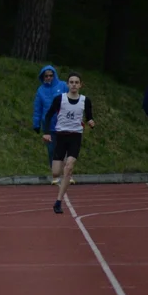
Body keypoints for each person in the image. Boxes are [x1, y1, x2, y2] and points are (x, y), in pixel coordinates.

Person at [43, 72, 95, 214]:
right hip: (61, 136)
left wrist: (90, 121)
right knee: (55, 172)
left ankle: (58, 201)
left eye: (76, 82)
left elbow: (89, 116)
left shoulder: (85, 100)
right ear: (67, 84)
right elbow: (48, 115)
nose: (73, 84)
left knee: (69, 168)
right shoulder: (60, 99)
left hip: (75, 137)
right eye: (71, 82)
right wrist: (46, 132)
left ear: (80, 85)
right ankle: (64, 162)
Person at [32, 64, 69, 183]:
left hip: (64, 124)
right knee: (52, 150)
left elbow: (72, 99)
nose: (48, 78)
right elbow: (38, 108)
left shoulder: (63, 85)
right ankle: (55, 174)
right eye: (46, 76)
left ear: (54, 75)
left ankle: (66, 172)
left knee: (65, 150)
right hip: (48, 126)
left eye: (51, 75)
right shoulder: (40, 90)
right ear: (43, 77)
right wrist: (36, 124)